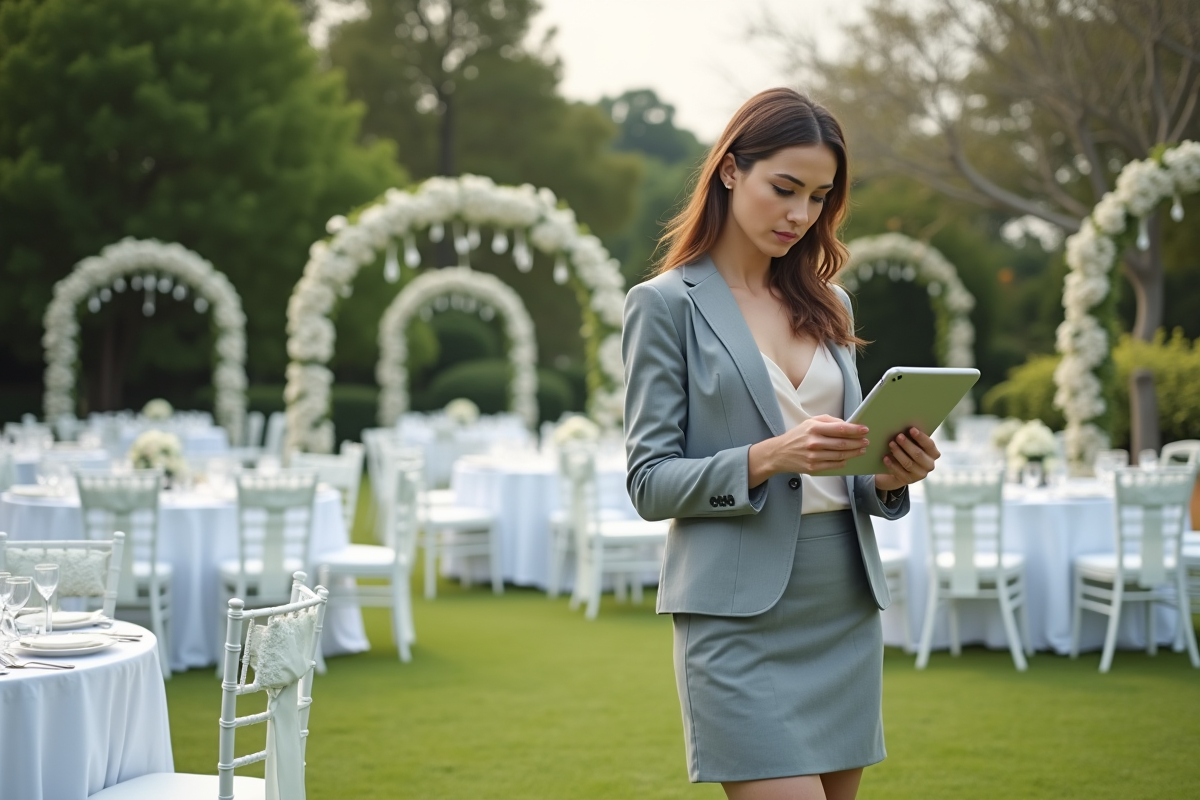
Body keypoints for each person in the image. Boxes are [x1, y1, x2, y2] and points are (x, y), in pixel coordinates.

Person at [621, 88, 941, 800]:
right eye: (785, 189)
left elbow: (851, 465)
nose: (801, 215)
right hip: (736, 611)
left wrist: (892, 477)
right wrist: (768, 457)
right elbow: (648, 482)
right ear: (732, 171)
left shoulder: (830, 303)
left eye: (820, 197)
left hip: (841, 601)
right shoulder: (665, 305)